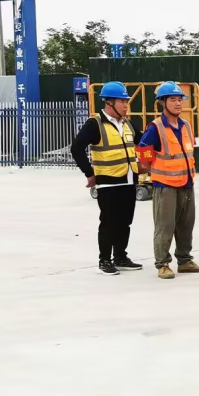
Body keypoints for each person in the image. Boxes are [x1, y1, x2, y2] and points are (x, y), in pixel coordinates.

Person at [71, 80, 142, 274]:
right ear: (109, 102)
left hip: (129, 180)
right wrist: (89, 173)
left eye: (126, 101)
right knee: (109, 222)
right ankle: (104, 260)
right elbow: (76, 148)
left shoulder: (127, 123)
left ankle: (120, 256)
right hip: (108, 183)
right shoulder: (94, 124)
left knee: (125, 222)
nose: (126, 105)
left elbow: (143, 141)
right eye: (122, 102)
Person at [135, 81, 199, 279]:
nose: (178, 103)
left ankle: (184, 260)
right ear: (162, 102)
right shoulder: (155, 127)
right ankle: (162, 263)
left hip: (186, 183)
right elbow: (144, 151)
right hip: (165, 186)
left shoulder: (186, 125)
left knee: (186, 225)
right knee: (165, 226)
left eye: (180, 99)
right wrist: (149, 167)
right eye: (173, 99)